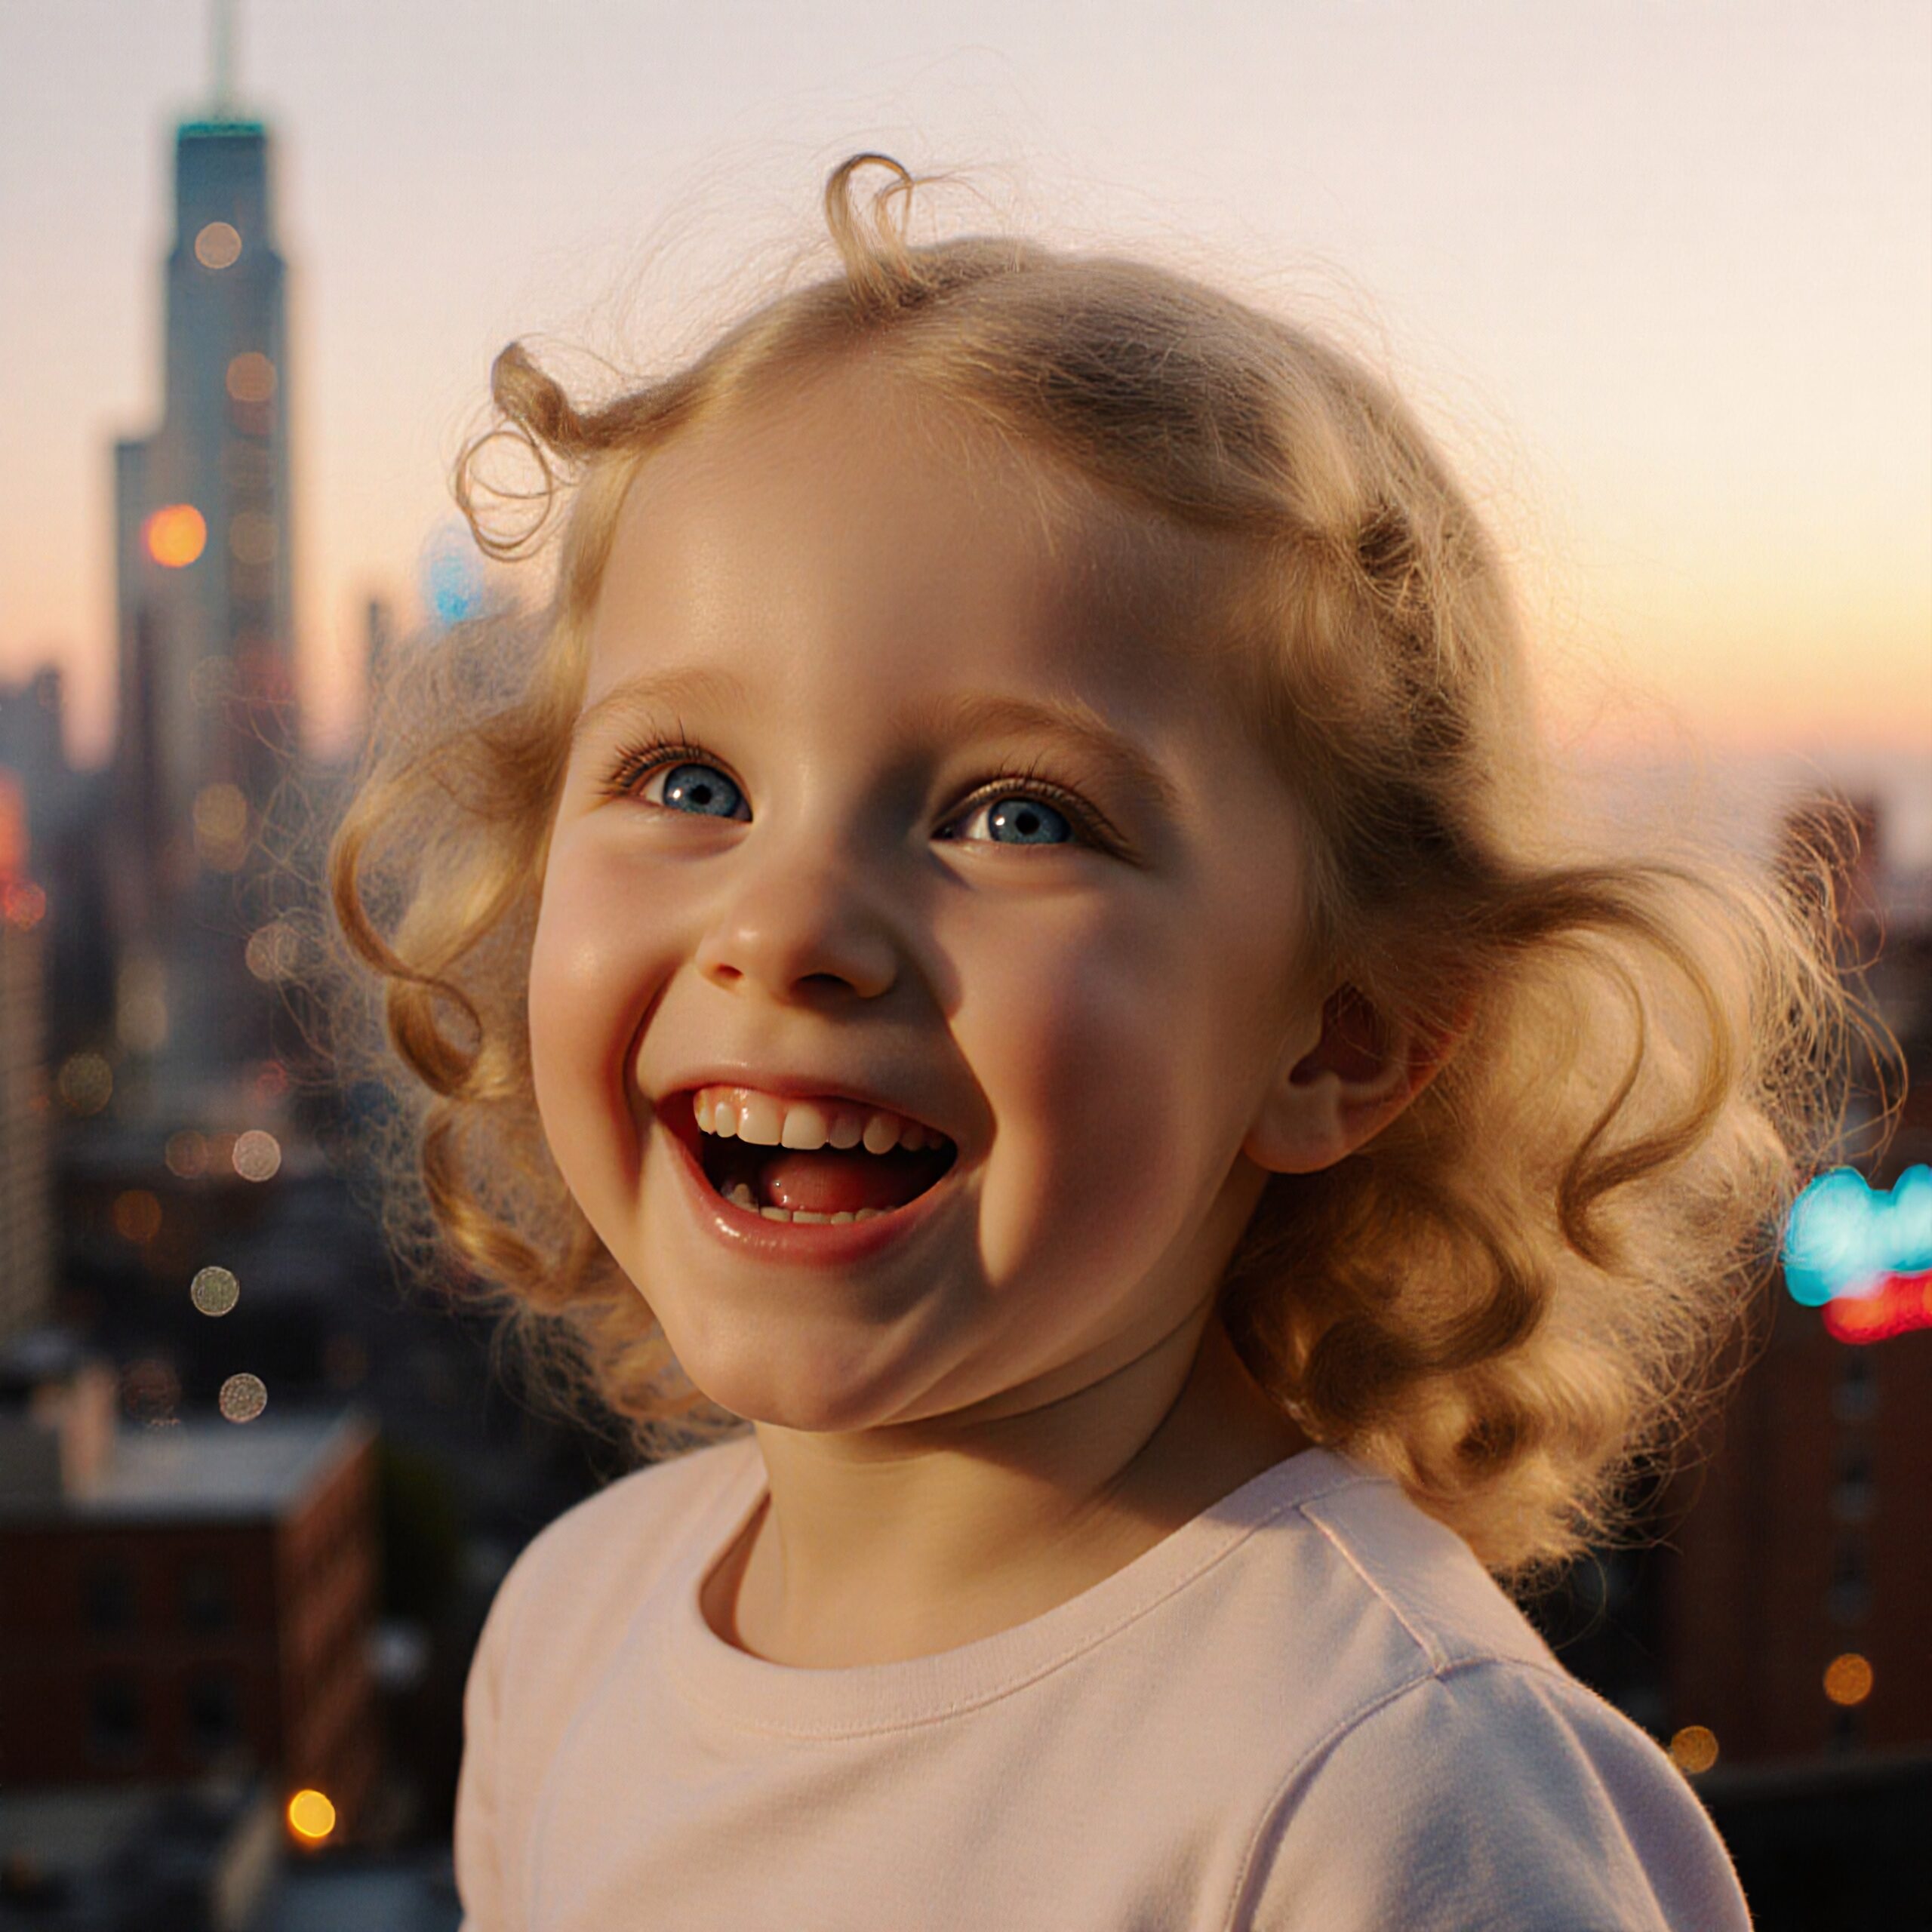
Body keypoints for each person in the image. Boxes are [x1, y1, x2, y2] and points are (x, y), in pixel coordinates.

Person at [327, 153, 1869, 1929]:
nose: (788, 926)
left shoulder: (1388, 1793)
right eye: (692, 782)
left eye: (1017, 815)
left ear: (1340, 1035)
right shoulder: (571, 1628)